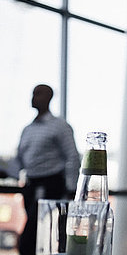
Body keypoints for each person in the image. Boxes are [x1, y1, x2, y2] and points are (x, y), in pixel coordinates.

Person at [12, 84, 80, 255]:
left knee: (33, 238)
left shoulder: (59, 126)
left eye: (38, 93)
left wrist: (71, 189)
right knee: (36, 235)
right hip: (31, 187)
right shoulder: (28, 129)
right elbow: (20, 160)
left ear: (49, 97)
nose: (34, 97)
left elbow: (72, 157)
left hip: (51, 186)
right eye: (33, 93)